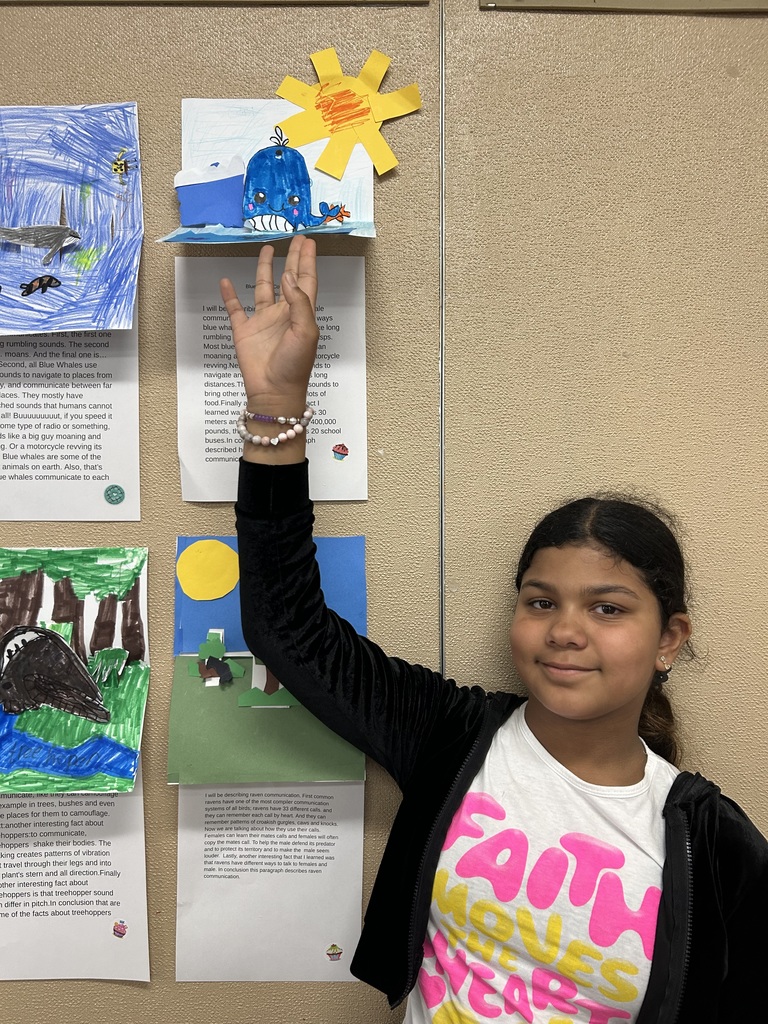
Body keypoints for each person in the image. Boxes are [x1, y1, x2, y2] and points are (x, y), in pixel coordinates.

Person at [221, 235, 768, 1024]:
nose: (565, 631)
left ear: (670, 638)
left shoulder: (712, 849)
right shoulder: (453, 736)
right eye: (541, 601)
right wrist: (276, 410)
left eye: (607, 608)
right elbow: (287, 629)